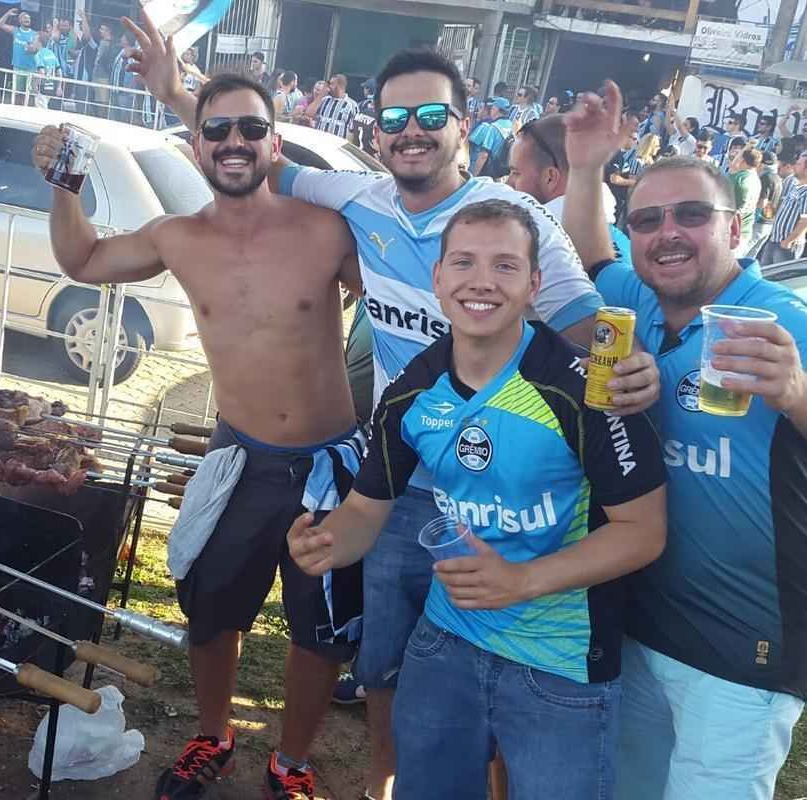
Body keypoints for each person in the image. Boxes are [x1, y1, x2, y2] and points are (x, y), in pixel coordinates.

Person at [124, 26, 661, 797]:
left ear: (464, 125)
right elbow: (251, 151)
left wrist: (628, 368)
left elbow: (585, 331)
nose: (412, 131)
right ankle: (387, 784)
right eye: (396, 117)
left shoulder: (511, 218)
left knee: (504, 659)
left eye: (431, 116)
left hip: (503, 487)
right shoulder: (357, 197)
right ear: (375, 130)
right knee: (383, 661)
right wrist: (178, 93)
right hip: (400, 477)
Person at [34, 71, 365, 800]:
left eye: (251, 128)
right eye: (217, 130)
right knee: (211, 611)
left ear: (275, 143)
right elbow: (81, 260)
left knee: (320, 632)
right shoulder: (177, 237)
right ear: (196, 144)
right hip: (239, 460)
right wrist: (65, 185)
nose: (234, 142)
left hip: (328, 470)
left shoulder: (326, 231)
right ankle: (213, 736)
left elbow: (405, 299)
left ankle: (291, 762)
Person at [287, 198, 668, 799]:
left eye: (505, 265)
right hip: (447, 643)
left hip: (560, 661)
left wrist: (522, 580)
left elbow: (643, 531)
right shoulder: (413, 390)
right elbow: (364, 511)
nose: (482, 281)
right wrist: (325, 541)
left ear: (534, 284)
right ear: (438, 278)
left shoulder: (584, 388)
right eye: (464, 262)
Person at [562, 78, 807, 800]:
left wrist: (796, 394)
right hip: (640, 623)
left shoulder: (785, 319)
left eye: (692, 214)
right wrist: (586, 167)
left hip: (744, 646)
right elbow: (589, 249)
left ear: (736, 227)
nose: (667, 232)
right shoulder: (635, 301)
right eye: (647, 220)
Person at [507, 114, 630, 261]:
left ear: (550, 177)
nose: (508, 183)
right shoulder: (626, 247)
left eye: (516, 173)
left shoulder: (539, 253)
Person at [759, 149, 807, 265]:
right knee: (765, 273)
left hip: (787, 246)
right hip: (774, 240)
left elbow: (805, 221)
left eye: (799, 164)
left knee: (780, 275)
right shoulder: (794, 186)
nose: (794, 166)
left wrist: (788, 241)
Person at [0, 8, 39, 103]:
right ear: (19, 20)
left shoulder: (35, 34)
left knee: (30, 94)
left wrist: (32, 48)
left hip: (31, 68)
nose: (27, 19)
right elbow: (0, 24)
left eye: (28, 18)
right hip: (18, 67)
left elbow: (35, 50)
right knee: (17, 94)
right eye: (24, 18)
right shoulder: (16, 31)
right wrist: (8, 13)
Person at [468, 96, 513, 176]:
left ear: (496, 110)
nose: (491, 110)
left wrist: (473, 176)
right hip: (503, 174)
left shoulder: (493, 128)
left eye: (492, 108)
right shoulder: (511, 126)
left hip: (488, 173)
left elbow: (484, 155)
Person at [730, 147, 762, 256]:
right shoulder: (756, 179)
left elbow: (732, 166)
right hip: (745, 230)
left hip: (731, 232)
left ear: (743, 161)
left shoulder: (739, 178)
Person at [308, 74, 359, 139]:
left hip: (338, 143)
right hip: (319, 140)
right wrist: (321, 95)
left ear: (340, 86)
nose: (329, 86)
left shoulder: (352, 105)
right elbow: (308, 114)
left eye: (332, 84)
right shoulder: (324, 100)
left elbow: (355, 130)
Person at [607, 126, 640, 227]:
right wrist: (636, 182)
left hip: (615, 200)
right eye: (634, 139)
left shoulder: (620, 154)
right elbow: (614, 179)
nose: (636, 142)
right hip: (610, 200)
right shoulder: (616, 154)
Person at [754, 150, 782, 252]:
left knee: (742, 253)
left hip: (758, 223)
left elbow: (762, 202)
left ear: (762, 164)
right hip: (768, 224)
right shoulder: (778, 178)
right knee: (752, 254)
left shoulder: (766, 177)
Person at [351, 78, 378, 156]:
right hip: (367, 152)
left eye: (365, 88)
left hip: (358, 150)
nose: (364, 90)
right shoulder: (362, 104)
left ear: (370, 90)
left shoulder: (361, 105)